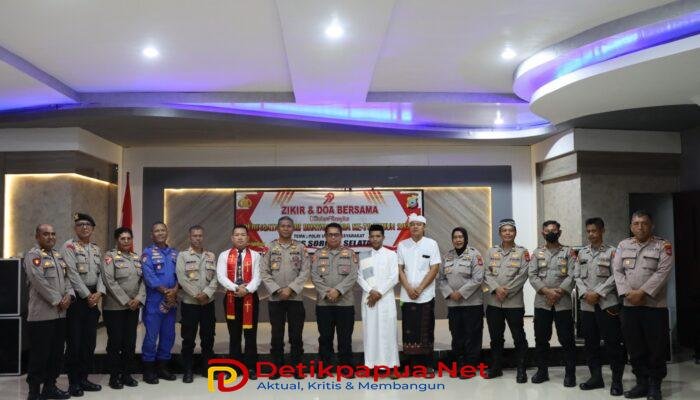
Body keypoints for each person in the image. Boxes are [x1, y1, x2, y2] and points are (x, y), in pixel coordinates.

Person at [613, 211, 673, 400]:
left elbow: (663, 272)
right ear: (631, 226)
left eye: (644, 223)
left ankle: (655, 385)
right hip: (629, 306)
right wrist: (627, 293)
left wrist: (642, 292)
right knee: (634, 346)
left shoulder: (663, 245)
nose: (640, 227)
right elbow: (617, 271)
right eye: (636, 223)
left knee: (656, 347)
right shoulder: (623, 245)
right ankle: (641, 383)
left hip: (654, 306)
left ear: (652, 226)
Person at [574, 217, 625, 396]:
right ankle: (596, 377)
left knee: (613, 344)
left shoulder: (612, 252)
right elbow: (576, 276)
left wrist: (598, 292)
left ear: (602, 231)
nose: (591, 234)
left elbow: (616, 275)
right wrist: (585, 293)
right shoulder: (582, 253)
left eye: (594, 231)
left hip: (607, 304)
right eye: (588, 231)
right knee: (590, 344)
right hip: (587, 305)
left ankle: (617, 381)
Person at [24, 224, 74, 400]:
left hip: (60, 315)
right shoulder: (33, 256)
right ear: (37, 236)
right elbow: (38, 281)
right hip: (41, 316)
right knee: (40, 355)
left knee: (56, 354)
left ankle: (50, 387)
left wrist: (69, 296)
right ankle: (34, 392)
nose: (50, 237)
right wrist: (58, 300)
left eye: (53, 234)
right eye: (46, 234)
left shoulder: (58, 256)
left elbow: (67, 279)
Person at [260, 217, 310, 379]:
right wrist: (277, 290)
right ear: (277, 228)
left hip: (295, 298)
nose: (286, 228)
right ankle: (276, 368)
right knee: (276, 335)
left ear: (293, 228)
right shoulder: (269, 247)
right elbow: (264, 272)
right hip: (276, 299)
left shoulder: (301, 248)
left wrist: (291, 289)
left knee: (296, 335)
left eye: (289, 226)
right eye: (283, 226)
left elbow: (305, 271)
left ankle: (297, 368)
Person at [528, 220, 576, 387]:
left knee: (567, 339)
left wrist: (559, 292)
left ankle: (570, 374)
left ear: (559, 232)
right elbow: (532, 275)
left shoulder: (568, 252)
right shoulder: (537, 253)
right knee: (541, 339)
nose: (550, 233)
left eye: (554, 230)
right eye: (547, 231)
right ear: (543, 233)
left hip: (563, 303)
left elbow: (573, 274)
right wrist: (547, 292)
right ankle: (542, 372)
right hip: (542, 302)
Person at [61, 212, 104, 396]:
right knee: (75, 343)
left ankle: (84, 378)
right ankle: (74, 382)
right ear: (75, 228)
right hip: (78, 300)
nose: (84, 227)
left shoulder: (96, 249)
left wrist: (99, 293)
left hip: (93, 297)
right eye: (80, 225)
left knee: (89, 342)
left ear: (92, 228)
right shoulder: (69, 246)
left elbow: (102, 274)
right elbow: (72, 274)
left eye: (88, 224)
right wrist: (88, 295)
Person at [482, 218, 530, 382]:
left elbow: (523, 274)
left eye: (511, 230)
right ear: (499, 233)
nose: (507, 233)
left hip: (514, 302)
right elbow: (486, 273)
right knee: (496, 337)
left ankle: (521, 369)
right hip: (494, 302)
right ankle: (496, 368)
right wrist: (496, 289)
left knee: (518, 337)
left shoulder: (522, 252)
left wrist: (506, 290)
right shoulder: (491, 252)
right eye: (504, 230)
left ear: (515, 233)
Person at [310, 223, 359, 374]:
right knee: (325, 337)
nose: (333, 237)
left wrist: (338, 290)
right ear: (325, 236)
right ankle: (325, 367)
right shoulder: (318, 254)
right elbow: (314, 276)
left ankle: (346, 367)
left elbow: (353, 275)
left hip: (345, 303)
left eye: (336, 234)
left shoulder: (350, 253)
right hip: (324, 304)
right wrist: (327, 292)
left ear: (341, 236)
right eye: (330, 234)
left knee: (345, 338)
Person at [436, 227, 484, 379]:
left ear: (466, 239)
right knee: (457, 336)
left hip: (472, 304)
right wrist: (450, 293)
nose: (458, 240)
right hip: (454, 304)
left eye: (460, 237)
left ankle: (470, 367)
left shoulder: (475, 255)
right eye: (455, 237)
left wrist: (460, 293)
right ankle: (459, 364)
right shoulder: (447, 256)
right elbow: (441, 279)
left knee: (472, 336)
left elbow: (478, 278)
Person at [101, 227, 145, 389]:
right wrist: (127, 301)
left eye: (128, 238)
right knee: (115, 343)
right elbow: (109, 281)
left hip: (133, 308)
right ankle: (114, 377)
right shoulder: (109, 257)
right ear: (117, 240)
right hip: (114, 308)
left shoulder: (136, 258)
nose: (126, 241)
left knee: (130, 342)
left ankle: (127, 375)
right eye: (122, 238)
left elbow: (143, 281)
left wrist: (138, 299)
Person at [216, 225, 262, 379]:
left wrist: (247, 290)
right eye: (237, 235)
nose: (240, 237)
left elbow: (258, 276)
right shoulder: (224, 255)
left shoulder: (256, 255)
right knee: (234, 334)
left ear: (248, 238)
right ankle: (234, 368)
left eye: (243, 235)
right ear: (232, 238)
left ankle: (251, 367)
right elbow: (221, 276)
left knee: (250, 334)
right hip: (231, 297)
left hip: (250, 297)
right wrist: (236, 288)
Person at [397, 213, 441, 374]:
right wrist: (409, 288)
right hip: (407, 295)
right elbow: (399, 268)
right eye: (412, 224)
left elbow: (434, 268)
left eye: (419, 224)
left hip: (426, 295)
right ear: (409, 227)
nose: (415, 227)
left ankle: (427, 365)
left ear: (424, 227)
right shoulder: (402, 245)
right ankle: (409, 366)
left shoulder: (432, 244)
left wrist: (420, 288)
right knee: (409, 330)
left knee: (426, 329)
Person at [175, 225, 218, 383]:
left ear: (203, 237)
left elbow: (215, 278)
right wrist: (196, 295)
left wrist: (206, 293)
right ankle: (188, 370)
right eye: (195, 236)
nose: (198, 238)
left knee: (208, 338)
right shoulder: (183, 256)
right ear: (190, 237)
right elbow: (181, 278)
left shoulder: (211, 256)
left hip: (208, 303)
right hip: (190, 304)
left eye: (200, 235)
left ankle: (208, 369)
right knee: (188, 339)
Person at [357, 224, 400, 371]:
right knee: (370, 332)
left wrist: (379, 293)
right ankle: (371, 365)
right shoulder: (363, 256)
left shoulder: (391, 255)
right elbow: (359, 277)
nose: (375, 239)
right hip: (369, 298)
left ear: (383, 237)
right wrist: (371, 291)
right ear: (369, 238)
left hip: (386, 299)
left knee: (388, 332)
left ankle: (392, 366)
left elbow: (394, 277)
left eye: (378, 236)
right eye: (372, 236)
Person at [140, 222, 178, 384]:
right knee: (151, 336)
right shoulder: (147, 254)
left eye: (163, 230)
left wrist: (174, 291)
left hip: (172, 301)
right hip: (154, 301)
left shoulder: (175, 253)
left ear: (167, 233)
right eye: (157, 231)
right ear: (152, 235)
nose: (160, 233)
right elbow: (149, 277)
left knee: (168, 335)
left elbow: (180, 275)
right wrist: (167, 292)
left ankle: (163, 368)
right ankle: (148, 370)